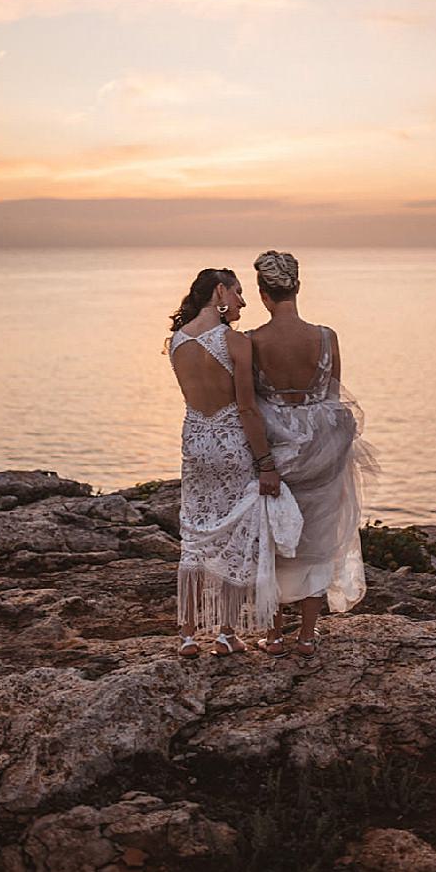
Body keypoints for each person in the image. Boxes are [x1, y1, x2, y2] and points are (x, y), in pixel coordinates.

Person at [247, 250, 378, 656]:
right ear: (298, 287)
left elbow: (249, 401)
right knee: (319, 535)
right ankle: (306, 636)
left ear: (262, 293)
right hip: (322, 446)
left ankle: (273, 635)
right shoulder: (325, 337)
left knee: (272, 536)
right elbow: (333, 396)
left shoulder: (252, 341)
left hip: (275, 446)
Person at [167, 267, 282, 658]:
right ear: (219, 292)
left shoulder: (175, 342)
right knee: (236, 537)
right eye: (237, 292)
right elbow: (248, 409)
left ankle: (185, 634)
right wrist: (266, 463)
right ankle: (225, 632)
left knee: (195, 535)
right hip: (232, 443)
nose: (243, 302)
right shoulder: (234, 342)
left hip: (195, 442)